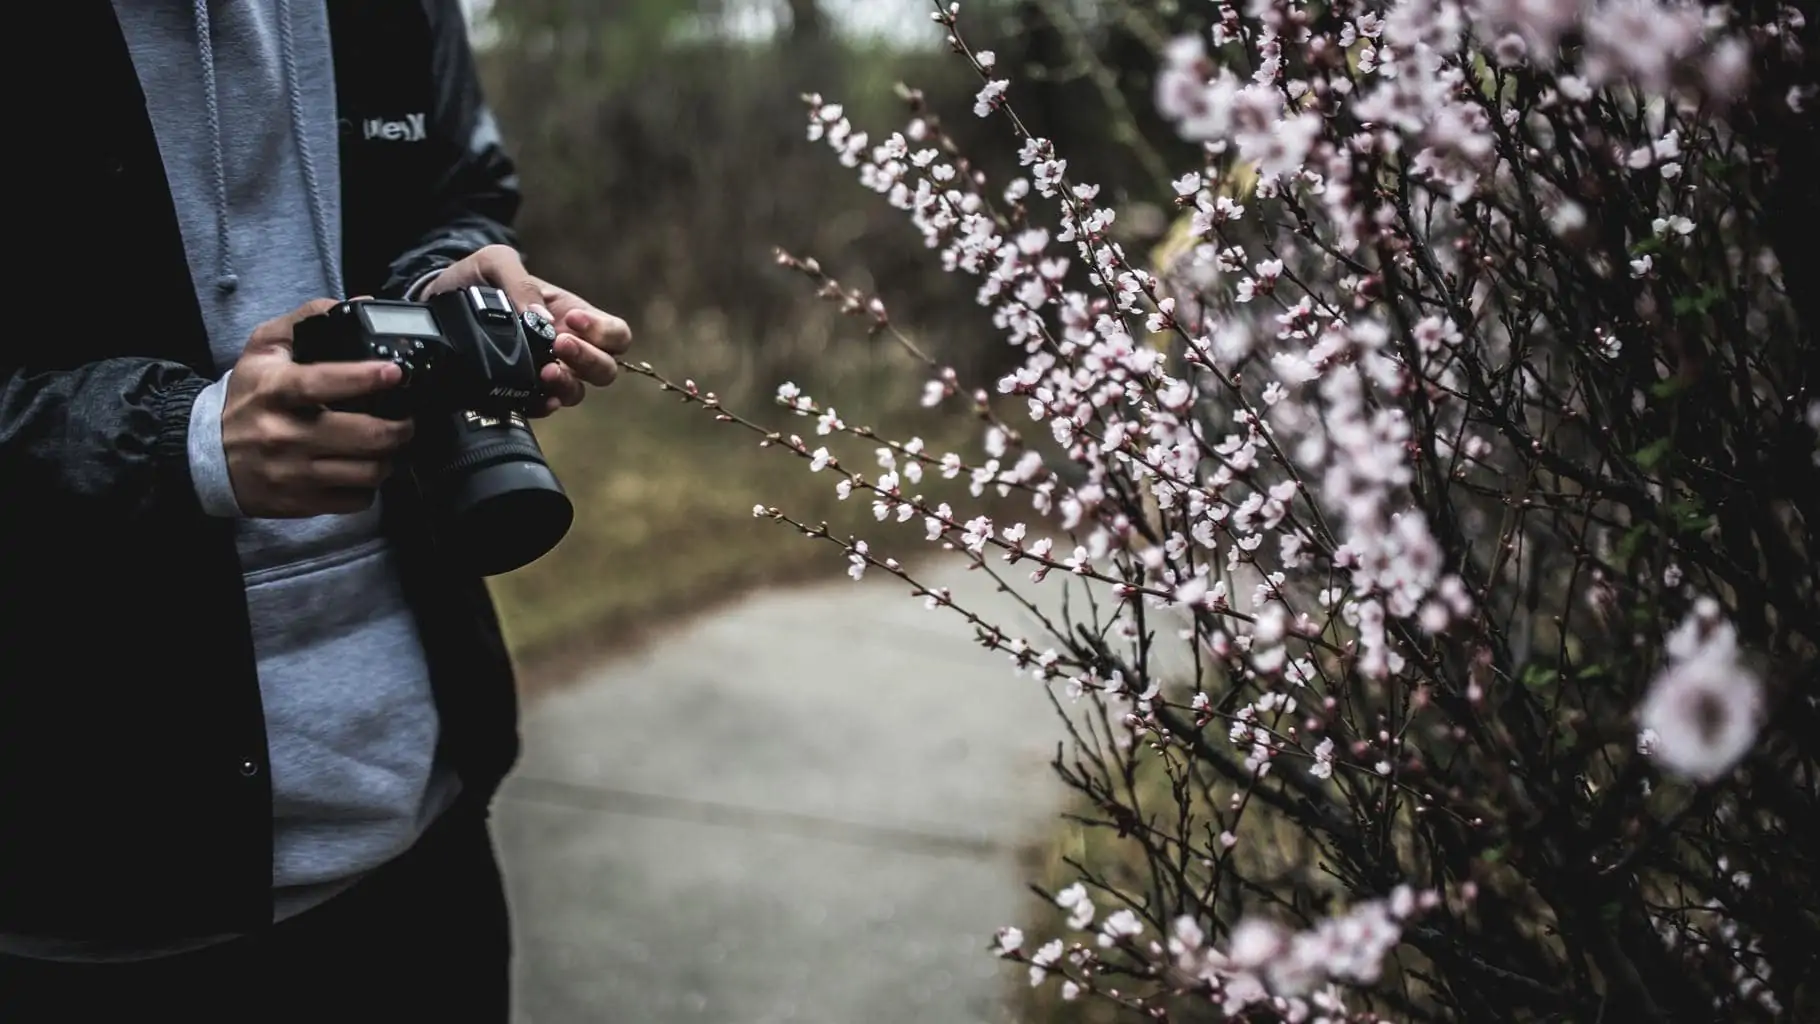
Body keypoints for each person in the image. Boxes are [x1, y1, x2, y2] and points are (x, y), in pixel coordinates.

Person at [0, 2, 630, 1019]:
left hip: (423, 835)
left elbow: (456, 191)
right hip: (83, 892)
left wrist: (444, 288)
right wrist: (183, 442)